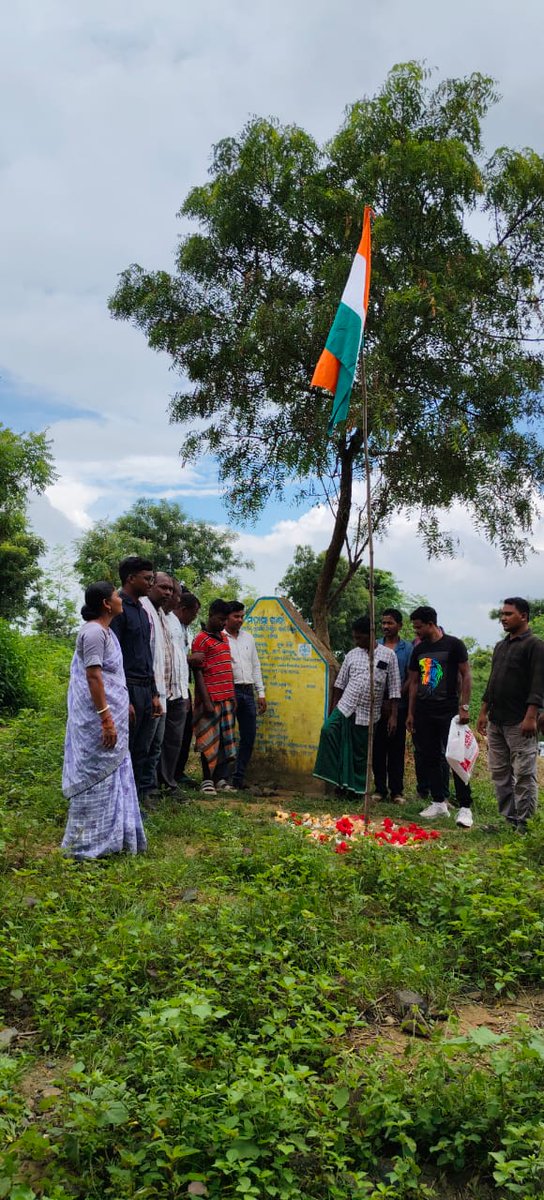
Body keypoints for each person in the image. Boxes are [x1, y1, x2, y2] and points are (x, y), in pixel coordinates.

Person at [61, 581, 147, 859]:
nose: (120, 598)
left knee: (115, 774)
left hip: (113, 715)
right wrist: (106, 719)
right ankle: (87, 845)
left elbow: (111, 676)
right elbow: (94, 676)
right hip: (98, 721)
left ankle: (113, 841)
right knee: (96, 776)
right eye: (115, 595)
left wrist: (125, 705)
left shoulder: (106, 631)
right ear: (106, 604)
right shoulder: (94, 632)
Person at [477, 597, 544, 832]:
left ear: (523, 616)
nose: (503, 618)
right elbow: (493, 681)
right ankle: (509, 820)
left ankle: (524, 824)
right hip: (497, 719)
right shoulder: (501, 646)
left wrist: (531, 717)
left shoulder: (535, 645)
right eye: (502, 614)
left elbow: (538, 685)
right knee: (500, 773)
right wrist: (483, 711)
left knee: (524, 774)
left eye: (508, 614)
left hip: (520, 720)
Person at [314, 616, 401, 795]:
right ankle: (336, 779)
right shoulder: (352, 654)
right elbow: (339, 684)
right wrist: (332, 710)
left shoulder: (388, 655)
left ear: (370, 635)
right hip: (345, 706)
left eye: (359, 637)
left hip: (368, 712)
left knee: (360, 755)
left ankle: (355, 790)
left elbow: (394, 688)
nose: (356, 641)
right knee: (328, 731)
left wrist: (393, 716)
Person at [406, 606, 473, 827]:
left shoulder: (454, 645)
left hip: (449, 710)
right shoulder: (419, 650)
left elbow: (466, 674)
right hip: (424, 711)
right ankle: (438, 803)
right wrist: (411, 713)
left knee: (455, 757)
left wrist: (464, 706)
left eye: (418, 627)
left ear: (430, 624)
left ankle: (465, 808)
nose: (416, 632)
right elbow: (415, 682)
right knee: (430, 757)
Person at [158, 583, 200, 793]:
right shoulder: (167, 621)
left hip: (181, 688)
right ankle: (166, 780)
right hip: (168, 689)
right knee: (168, 739)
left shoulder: (180, 626)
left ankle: (173, 775)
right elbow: (170, 658)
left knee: (179, 737)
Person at [192, 599, 236, 795]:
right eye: (220, 619)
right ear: (210, 615)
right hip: (210, 699)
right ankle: (206, 780)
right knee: (209, 739)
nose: (224, 623)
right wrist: (207, 701)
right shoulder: (200, 639)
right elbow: (198, 672)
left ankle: (221, 779)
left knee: (225, 741)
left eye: (226, 620)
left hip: (227, 697)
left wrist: (232, 696)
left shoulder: (224, 638)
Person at [224, 600, 267, 790]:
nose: (240, 620)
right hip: (229, 690)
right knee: (226, 734)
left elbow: (255, 665)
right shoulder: (221, 637)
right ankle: (222, 777)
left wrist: (261, 692)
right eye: (236, 616)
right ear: (227, 618)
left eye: (242, 616)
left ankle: (238, 776)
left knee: (248, 735)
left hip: (247, 691)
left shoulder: (248, 638)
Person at [372, 608, 412, 804]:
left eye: (390, 623)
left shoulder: (408, 649)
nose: (386, 626)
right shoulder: (376, 645)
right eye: (383, 623)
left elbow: (411, 677)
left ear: (399, 625)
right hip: (377, 704)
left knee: (396, 748)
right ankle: (380, 788)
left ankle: (397, 790)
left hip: (399, 705)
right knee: (378, 747)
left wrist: (396, 696)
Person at [140, 572, 174, 800]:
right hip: (149, 691)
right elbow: (146, 657)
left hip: (162, 692)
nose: (168, 593)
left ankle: (149, 790)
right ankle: (141, 792)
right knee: (144, 746)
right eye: (163, 587)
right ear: (151, 585)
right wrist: (152, 691)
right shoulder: (144, 609)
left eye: (170, 589)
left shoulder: (162, 613)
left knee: (156, 746)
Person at [173, 589, 202, 788]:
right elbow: (171, 658)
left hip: (184, 685)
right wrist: (191, 658)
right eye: (194, 613)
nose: (194, 618)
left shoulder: (183, 628)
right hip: (174, 686)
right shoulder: (171, 626)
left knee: (185, 733)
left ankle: (178, 771)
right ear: (183, 609)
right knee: (174, 735)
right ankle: (169, 775)